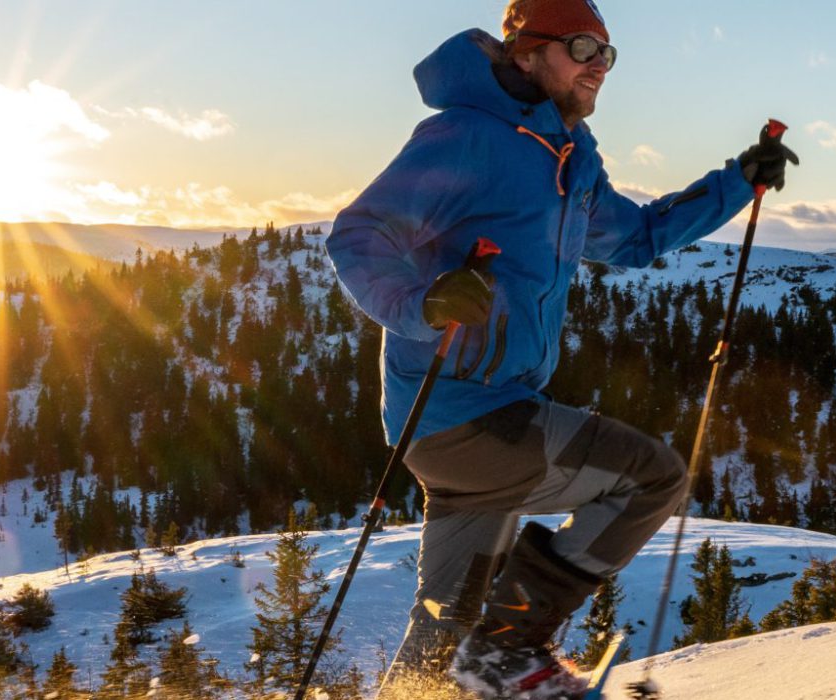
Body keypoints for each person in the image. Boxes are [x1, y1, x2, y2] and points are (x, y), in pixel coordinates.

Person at [326, 1, 796, 696]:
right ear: (524, 54)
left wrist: (738, 182)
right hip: (466, 415)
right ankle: (510, 649)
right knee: (651, 478)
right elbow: (360, 235)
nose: (599, 65)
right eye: (582, 47)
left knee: (442, 635)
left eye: (608, 52)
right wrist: (423, 303)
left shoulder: (571, 158)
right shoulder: (467, 136)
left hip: (478, 419)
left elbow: (634, 237)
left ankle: (445, 677)